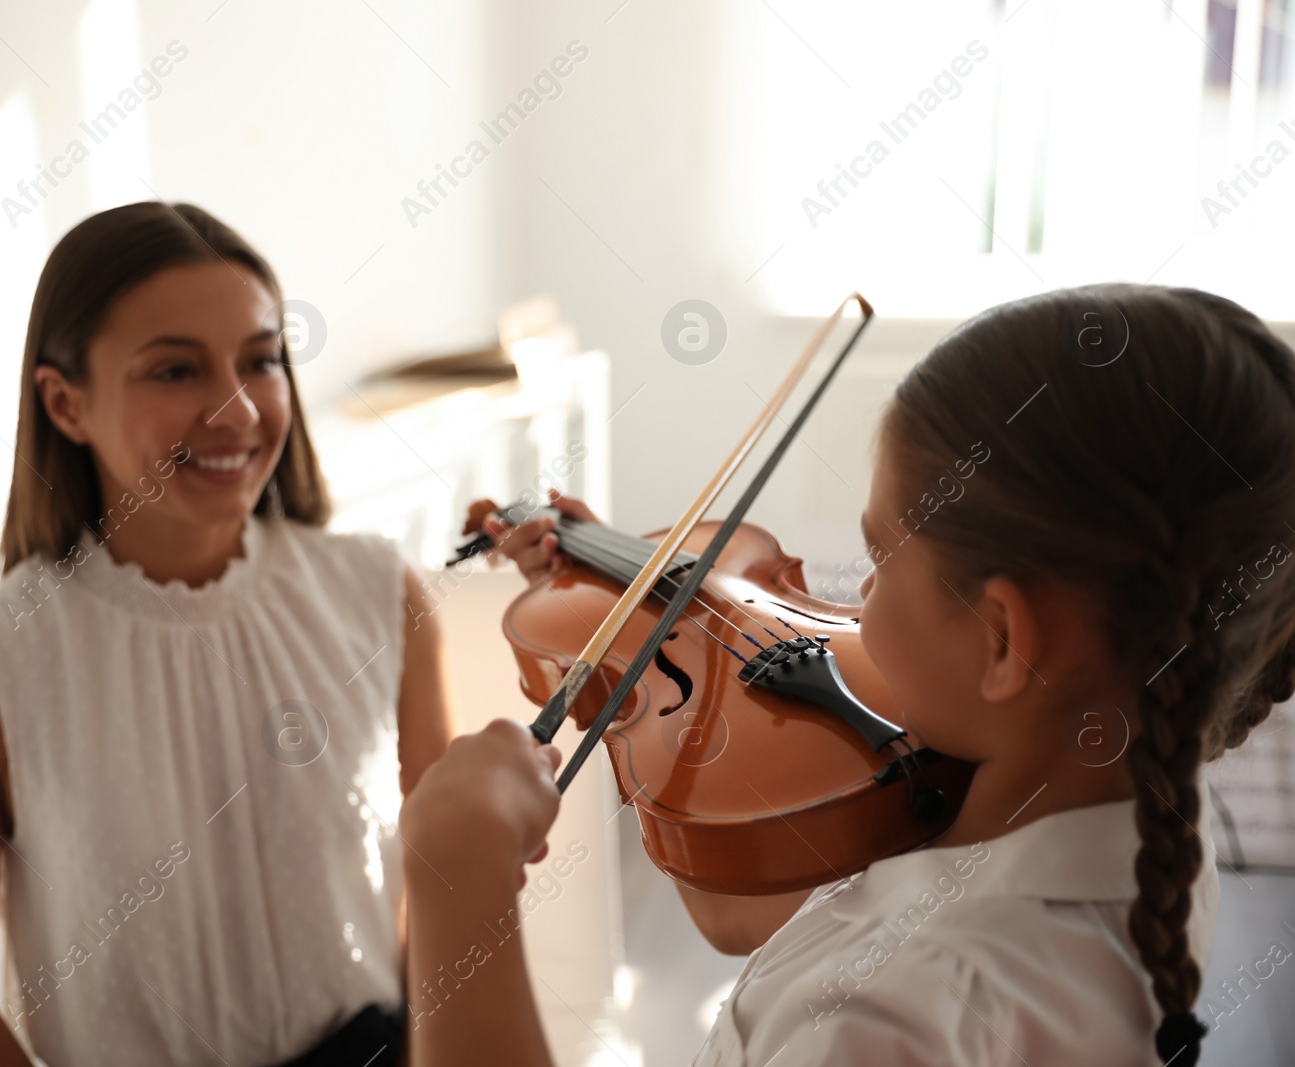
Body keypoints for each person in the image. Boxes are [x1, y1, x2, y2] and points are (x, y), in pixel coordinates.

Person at [412, 284, 1295, 1066]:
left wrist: (456, 880)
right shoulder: (1131, 821)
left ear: (1001, 639)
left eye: (878, 557)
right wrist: (624, 628)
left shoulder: (886, 1022)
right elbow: (747, 920)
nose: (855, 598)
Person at [0, 202, 453, 1067]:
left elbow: (444, 891)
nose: (236, 412)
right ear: (65, 403)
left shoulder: (382, 594)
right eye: (175, 371)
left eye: (261, 360)